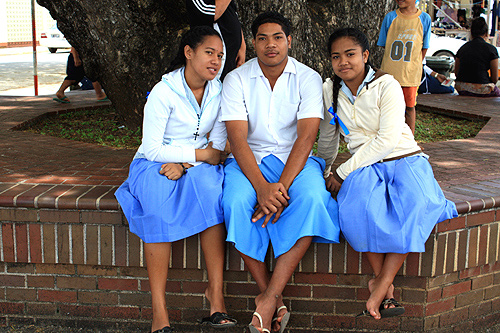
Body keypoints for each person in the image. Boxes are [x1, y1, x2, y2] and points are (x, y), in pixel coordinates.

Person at [317, 28, 458, 320]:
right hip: (366, 166)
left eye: (351, 54)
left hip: (404, 158)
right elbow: (329, 137)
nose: (344, 61)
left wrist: (342, 171)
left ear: (366, 55)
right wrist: (326, 170)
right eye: (336, 56)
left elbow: (387, 139)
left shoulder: (386, 84)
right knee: (357, 209)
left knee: (415, 206)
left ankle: (380, 286)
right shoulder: (330, 88)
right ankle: (384, 285)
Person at [220, 11, 340, 333]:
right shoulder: (236, 79)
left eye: (277, 38)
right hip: (251, 162)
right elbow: (237, 138)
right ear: (254, 43)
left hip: (295, 161)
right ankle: (272, 295)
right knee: (234, 203)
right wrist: (261, 187)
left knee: (314, 198)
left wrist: (280, 187)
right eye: (262, 38)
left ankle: (268, 297)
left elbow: (306, 136)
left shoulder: (308, 78)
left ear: (289, 40)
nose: (270, 45)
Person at [114, 26, 236, 333]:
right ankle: (159, 312)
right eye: (209, 53)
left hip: (191, 164)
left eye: (220, 56)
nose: (216, 61)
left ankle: (216, 299)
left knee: (211, 193)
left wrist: (185, 161)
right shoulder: (164, 91)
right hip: (153, 164)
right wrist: (196, 156)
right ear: (189, 52)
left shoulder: (220, 91)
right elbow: (153, 147)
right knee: (156, 203)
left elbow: (217, 149)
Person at [377, 0, 432, 133]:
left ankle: (410, 142)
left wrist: (414, 64)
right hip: (389, 73)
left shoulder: (424, 19)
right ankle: (388, 138)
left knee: (409, 107)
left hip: (410, 74)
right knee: (388, 108)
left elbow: (424, 47)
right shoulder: (390, 17)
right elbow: (385, 44)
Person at [185, 0, 246, 80]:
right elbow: (210, 12)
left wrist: (242, 44)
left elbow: (231, 12)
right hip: (213, 60)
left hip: (230, 58)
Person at [455, 17, 500, 97]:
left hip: (461, 88)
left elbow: (456, 73)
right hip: (482, 89)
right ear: (486, 34)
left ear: (471, 33)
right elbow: (495, 78)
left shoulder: (463, 48)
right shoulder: (491, 49)